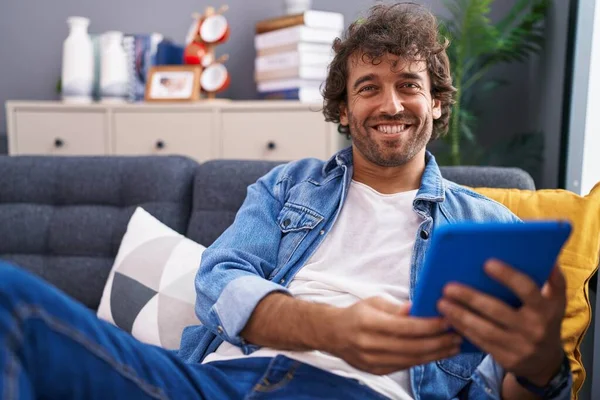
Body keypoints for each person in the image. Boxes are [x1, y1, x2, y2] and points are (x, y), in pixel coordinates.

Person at [0, 3, 572, 400]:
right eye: (369, 87)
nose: (391, 103)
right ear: (343, 110)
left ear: (438, 103)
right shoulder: (288, 187)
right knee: (12, 299)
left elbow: (503, 388)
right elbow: (218, 281)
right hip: (206, 383)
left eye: (410, 84)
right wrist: (333, 329)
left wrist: (541, 362)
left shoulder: (487, 225)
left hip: (355, 394)